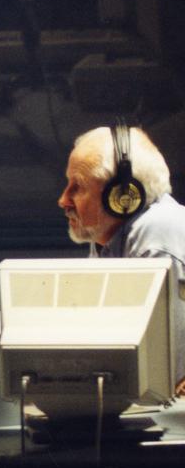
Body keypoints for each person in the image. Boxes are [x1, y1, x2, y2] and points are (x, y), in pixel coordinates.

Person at [58, 125, 185, 395]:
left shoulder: (157, 232)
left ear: (122, 198)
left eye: (77, 187)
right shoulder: (109, 237)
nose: (63, 200)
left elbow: (166, 378)